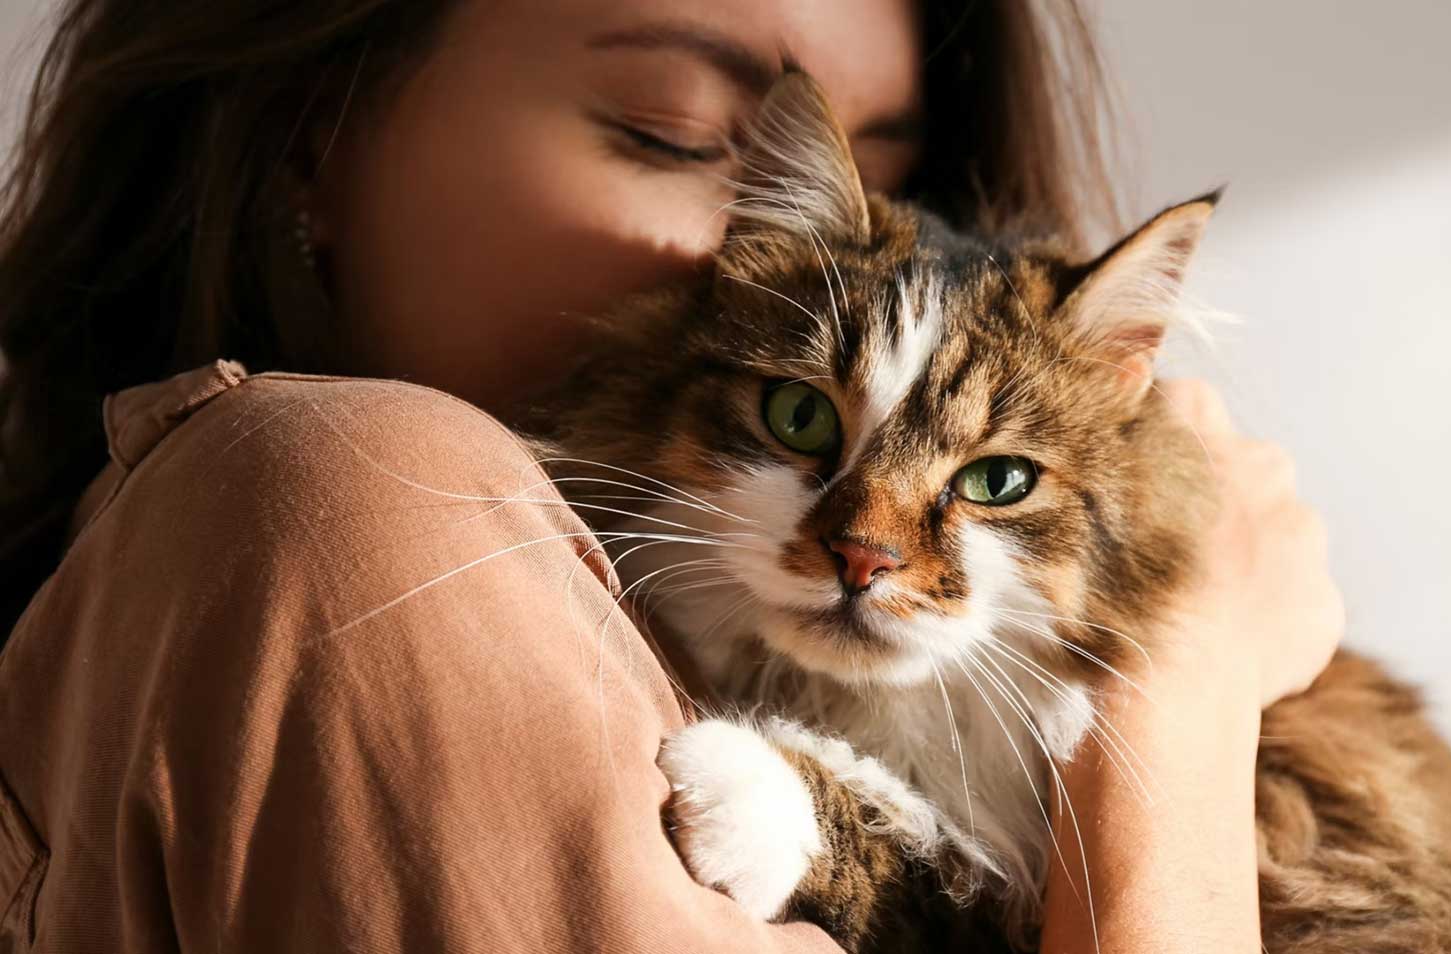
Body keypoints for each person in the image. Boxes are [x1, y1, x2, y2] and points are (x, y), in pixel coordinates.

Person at [0, 0, 1343, 951]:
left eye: (884, 176)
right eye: (687, 134)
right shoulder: (361, 502)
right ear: (308, 131)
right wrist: (1181, 699)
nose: (786, 249)